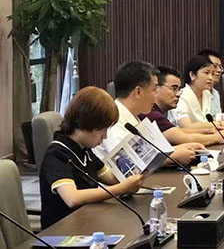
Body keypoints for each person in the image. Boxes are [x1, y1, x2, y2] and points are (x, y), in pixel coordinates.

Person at [39, 87, 145, 229]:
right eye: (102, 130)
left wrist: (132, 177)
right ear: (86, 123)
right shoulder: (57, 153)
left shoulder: (85, 150)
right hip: (62, 230)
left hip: (87, 221)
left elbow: (110, 178)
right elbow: (72, 198)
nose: (105, 136)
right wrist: (121, 188)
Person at [93, 61, 202, 164]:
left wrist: (180, 148)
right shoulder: (114, 119)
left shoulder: (134, 116)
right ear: (138, 92)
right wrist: (174, 156)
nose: (156, 95)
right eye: (154, 90)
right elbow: (127, 162)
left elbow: (151, 152)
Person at [139, 66, 224, 146]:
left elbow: (178, 130)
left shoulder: (160, 111)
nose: (178, 94)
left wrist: (208, 131)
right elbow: (180, 137)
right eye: (174, 89)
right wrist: (217, 138)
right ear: (156, 88)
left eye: (179, 89)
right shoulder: (150, 112)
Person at [174, 55, 219, 128]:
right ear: (192, 75)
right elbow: (186, 126)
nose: (211, 78)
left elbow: (205, 122)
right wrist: (218, 124)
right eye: (206, 72)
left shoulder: (206, 94)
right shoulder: (182, 96)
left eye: (213, 74)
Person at [197, 49, 224, 117]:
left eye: (220, 67)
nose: (219, 70)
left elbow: (218, 118)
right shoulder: (188, 95)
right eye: (215, 66)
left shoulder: (215, 93)